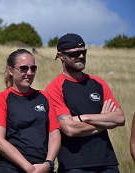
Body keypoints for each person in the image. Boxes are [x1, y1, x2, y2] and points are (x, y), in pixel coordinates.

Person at [45, 33, 125, 173]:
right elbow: (69, 129)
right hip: (74, 165)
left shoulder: (98, 83)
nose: (81, 56)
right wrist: (103, 120)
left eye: (83, 52)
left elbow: (120, 118)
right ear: (60, 56)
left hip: (108, 163)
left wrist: (84, 118)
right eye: (75, 54)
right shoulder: (55, 88)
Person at [0, 49, 61, 173]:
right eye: (24, 68)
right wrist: (29, 168)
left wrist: (48, 164)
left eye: (33, 68)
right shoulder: (1, 99)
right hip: (11, 167)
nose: (29, 73)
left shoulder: (44, 97)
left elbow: (54, 134)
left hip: (42, 167)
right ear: (11, 71)